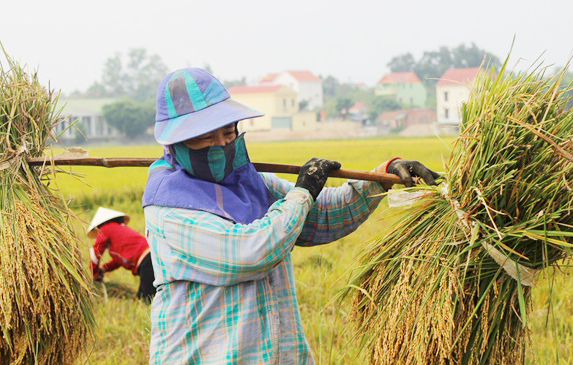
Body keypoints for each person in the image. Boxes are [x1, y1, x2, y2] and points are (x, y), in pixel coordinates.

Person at [142, 68, 439, 364]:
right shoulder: (169, 208)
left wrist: (382, 176)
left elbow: (319, 214)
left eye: (228, 132)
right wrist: (302, 192)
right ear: (174, 144)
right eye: (205, 138)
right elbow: (250, 253)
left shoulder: (250, 181)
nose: (221, 145)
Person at [87, 207, 156, 302]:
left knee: (147, 300)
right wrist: (103, 269)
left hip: (147, 262)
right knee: (141, 298)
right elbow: (118, 261)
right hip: (151, 259)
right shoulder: (119, 233)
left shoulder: (105, 229)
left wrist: (94, 273)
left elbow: (95, 253)